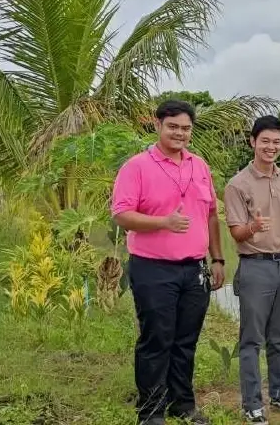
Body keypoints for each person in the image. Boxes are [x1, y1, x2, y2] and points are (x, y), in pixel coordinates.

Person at [111, 99, 225, 425]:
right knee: (156, 340)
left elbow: (212, 214)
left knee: (186, 340)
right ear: (158, 125)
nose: (179, 133)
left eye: (186, 128)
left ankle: (183, 405)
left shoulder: (199, 166)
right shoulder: (137, 166)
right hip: (153, 267)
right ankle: (152, 412)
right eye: (172, 126)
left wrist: (217, 258)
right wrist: (163, 223)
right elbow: (121, 215)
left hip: (194, 269)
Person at [223, 115, 280, 423]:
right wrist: (253, 227)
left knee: (278, 336)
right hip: (256, 267)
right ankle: (252, 404)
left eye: (277, 141)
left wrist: (278, 240)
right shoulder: (237, 185)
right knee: (252, 339)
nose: (271, 147)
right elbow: (236, 233)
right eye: (265, 141)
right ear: (253, 142)